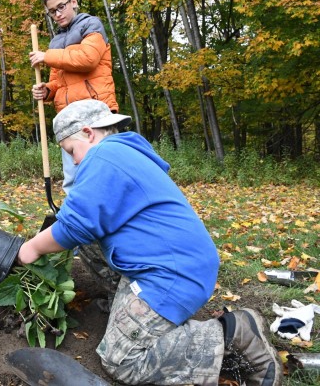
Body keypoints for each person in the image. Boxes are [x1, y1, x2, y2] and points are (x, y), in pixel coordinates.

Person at [17, 99, 283, 385]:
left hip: (171, 274)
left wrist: (30, 248)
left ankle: (232, 333)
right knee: (92, 243)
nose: (76, 161)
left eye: (71, 151)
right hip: (177, 263)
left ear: (88, 132)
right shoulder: (125, 154)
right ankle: (130, 310)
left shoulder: (103, 156)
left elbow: (76, 224)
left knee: (121, 361)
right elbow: (86, 223)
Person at [30, 0, 118, 194]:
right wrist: (47, 91)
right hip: (70, 121)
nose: (58, 14)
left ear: (73, 2)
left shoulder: (91, 25)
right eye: (52, 11)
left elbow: (88, 59)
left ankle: (111, 224)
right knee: (74, 181)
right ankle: (79, 224)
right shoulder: (55, 42)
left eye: (61, 7)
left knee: (102, 176)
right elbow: (58, 82)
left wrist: (47, 56)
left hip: (97, 116)